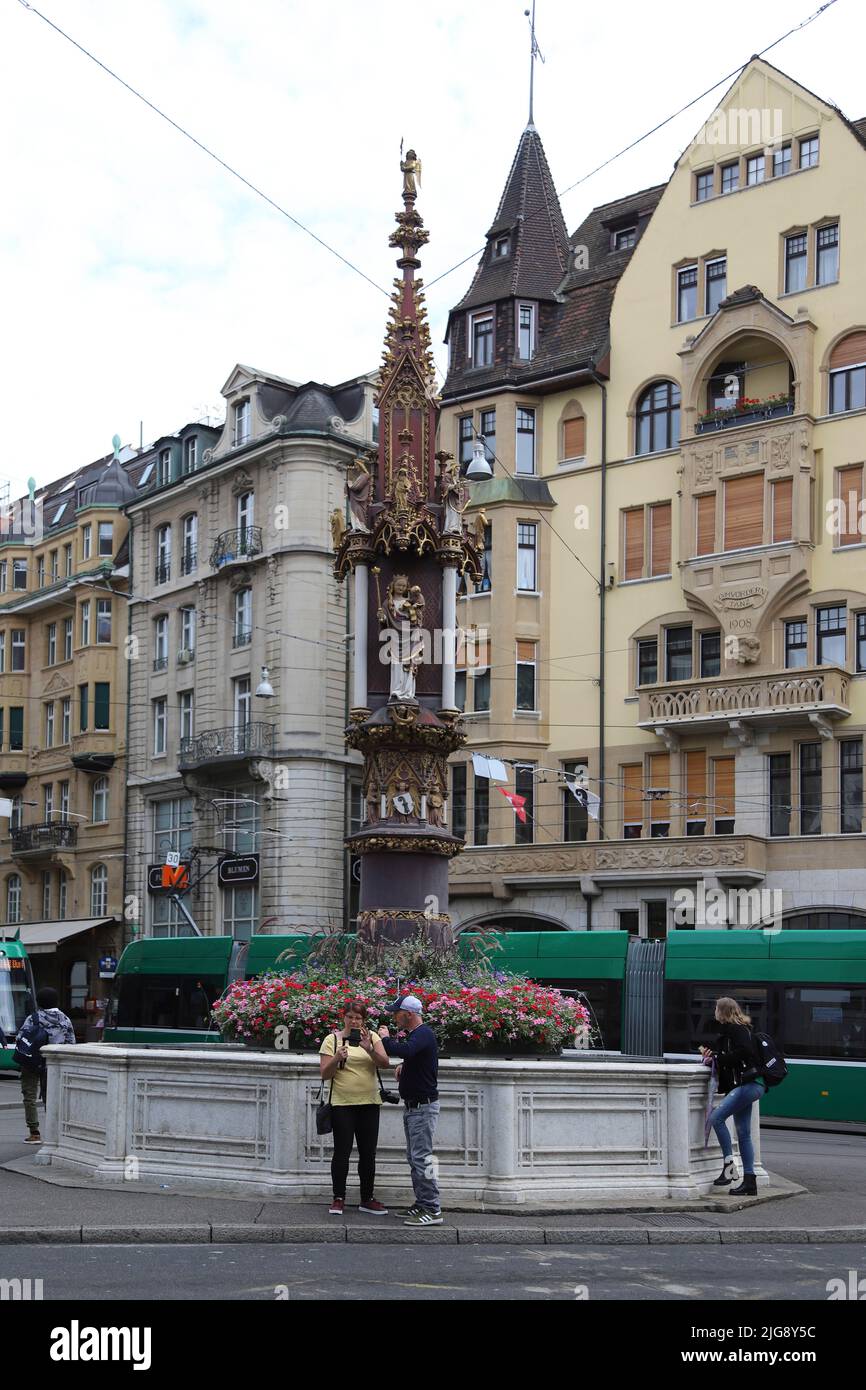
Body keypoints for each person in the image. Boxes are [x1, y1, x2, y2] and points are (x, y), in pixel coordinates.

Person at [319, 1000, 388, 1217]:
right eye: (350, 1017)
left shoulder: (373, 1037)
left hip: (369, 1102)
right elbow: (324, 1074)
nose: (354, 1021)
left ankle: (367, 1198)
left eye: (358, 1018)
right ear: (344, 1018)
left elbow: (384, 1063)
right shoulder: (332, 1039)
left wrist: (369, 1049)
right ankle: (338, 1197)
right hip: (342, 1104)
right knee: (342, 1152)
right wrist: (337, 1058)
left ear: (363, 1020)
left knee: (368, 1154)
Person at [378, 994, 442, 1227]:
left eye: (396, 1013)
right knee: (415, 1157)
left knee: (424, 1158)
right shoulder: (419, 1036)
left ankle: (433, 1209)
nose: (394, 1017)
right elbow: (417, 1056)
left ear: (409, 1014)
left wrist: (385, 1040)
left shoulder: (423, 1033)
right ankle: (422, 1203)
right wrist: (405, 1066)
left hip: (423, 1107)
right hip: (415, 1107)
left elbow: (405, 1050)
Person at [700, 996, 766, 1196]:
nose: (714, 1012)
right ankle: (749, 1182)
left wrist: (718, 1058)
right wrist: (713, 1057)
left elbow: (744, 1053)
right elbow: (736, 1055)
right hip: (749, 1085)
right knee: (744, 1134)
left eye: (716, 1009)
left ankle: (729, 1168)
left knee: (716, 1118)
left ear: (723, 1011)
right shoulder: (734, 1031)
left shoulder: (737, 1030)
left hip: (748, 1085)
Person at [16, 986, 75, 1144]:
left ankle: (34, 1132)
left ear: (39, 1002)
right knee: (54, 1097)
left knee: (29, 1096)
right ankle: (54, 1133)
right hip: (54, 1065)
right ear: (56, 1001)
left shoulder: (33, 1018)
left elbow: (20, 1038)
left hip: (31, 1062)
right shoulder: (65, 1019)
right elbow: (71, 1044)